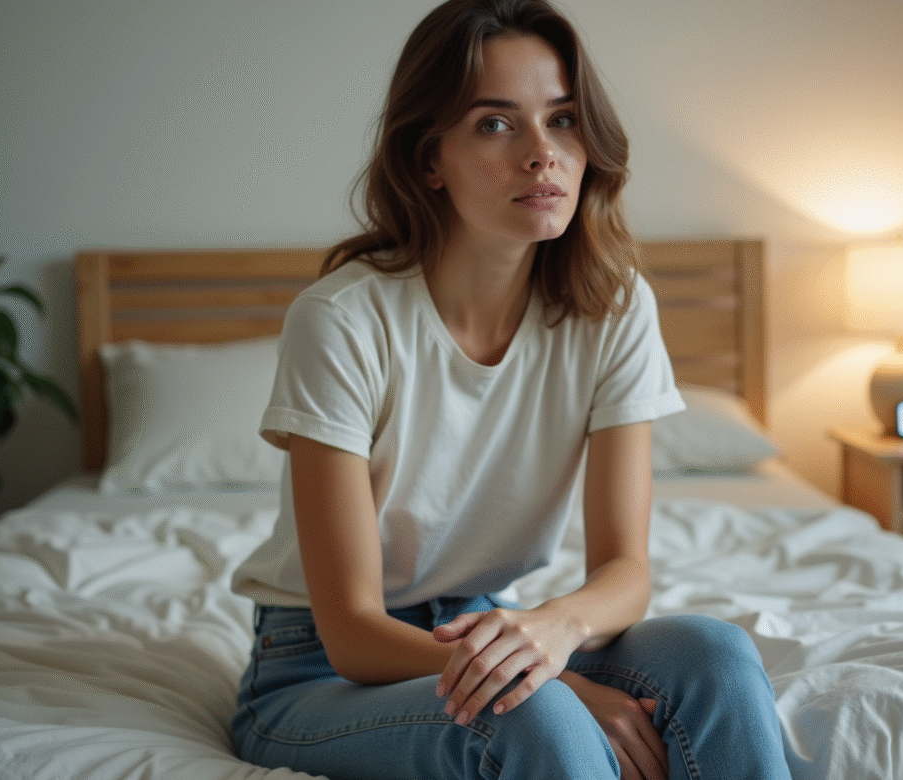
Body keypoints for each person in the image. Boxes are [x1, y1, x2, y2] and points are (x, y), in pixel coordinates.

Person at [230, 1, 791, 778]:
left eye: (562, 120)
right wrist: (554, 681)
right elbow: (352, 631)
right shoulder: (341, 320)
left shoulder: (613, 306)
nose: (542, 154)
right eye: (495, 124)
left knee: (716, 656)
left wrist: (555, 631)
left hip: (488, 631)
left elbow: (624, 572)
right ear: (429, 158)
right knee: (537, 716)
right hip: (317, 668)